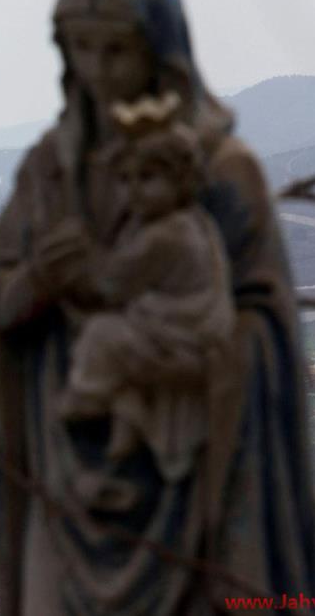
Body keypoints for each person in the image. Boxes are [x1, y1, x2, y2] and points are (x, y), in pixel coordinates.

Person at [0, 0, 315, 614]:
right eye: (81, 49)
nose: (99, 73)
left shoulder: (220, 172)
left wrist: (186, 348)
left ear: (161, 53)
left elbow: (265, 326)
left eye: (117, 51)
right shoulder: (49, 172)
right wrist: (39, 279)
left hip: (189, 491)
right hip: (68, 485)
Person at [59, 115, 234, 485]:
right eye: (126, 180)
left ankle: (89, 395)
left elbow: (113, 282)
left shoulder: (165, 236)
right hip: (186, 324)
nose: (134, 191)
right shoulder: (193, 221)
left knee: (102, 333)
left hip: (179, 329)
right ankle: (128, 424)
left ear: (180, 180)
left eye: (147, 179)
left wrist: (80, 258)